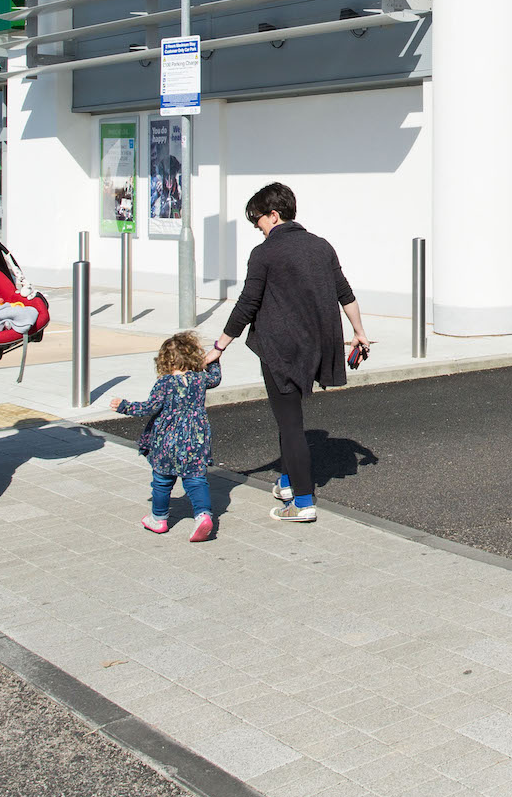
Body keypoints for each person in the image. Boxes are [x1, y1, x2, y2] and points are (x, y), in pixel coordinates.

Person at [208, 181, 369, 524]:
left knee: (290, 423)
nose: (257, 227)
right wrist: (359, 332)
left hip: (280, 349)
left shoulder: (265, 253)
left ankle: (302, 501)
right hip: (316, 345)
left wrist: (219, 346)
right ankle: (286, 481)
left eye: (258, 220)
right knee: (289, 420)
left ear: (273, 215)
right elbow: (345, 293)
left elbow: (247, 304)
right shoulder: (321, 246)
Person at [109, 331, 223, 541]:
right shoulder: (200, 379)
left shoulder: (165, 383)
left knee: (162, 480)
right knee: (196, 479)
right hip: (196, 438)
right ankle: (203, 516)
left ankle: (159, 519)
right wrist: (214, 359)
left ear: (165, 361)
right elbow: (215, 378)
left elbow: (149, 407)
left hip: (167, 440)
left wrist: (125, 406)